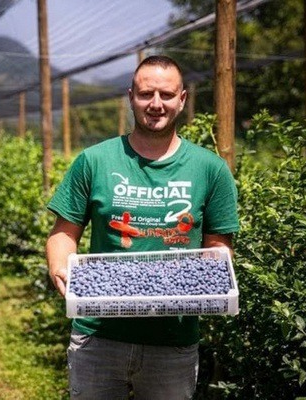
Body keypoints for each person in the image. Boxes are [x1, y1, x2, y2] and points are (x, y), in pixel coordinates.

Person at [45, 55, 239, 399]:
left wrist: (210, 274)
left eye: (167, 94)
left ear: (182, 99)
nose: (156, 104)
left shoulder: (210, 169)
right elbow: (64, 233)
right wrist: (60, 266)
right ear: (131, 96)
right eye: (146, 94)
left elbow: (219, 245)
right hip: (98, 335)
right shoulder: (95, 160)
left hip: (172, 341)